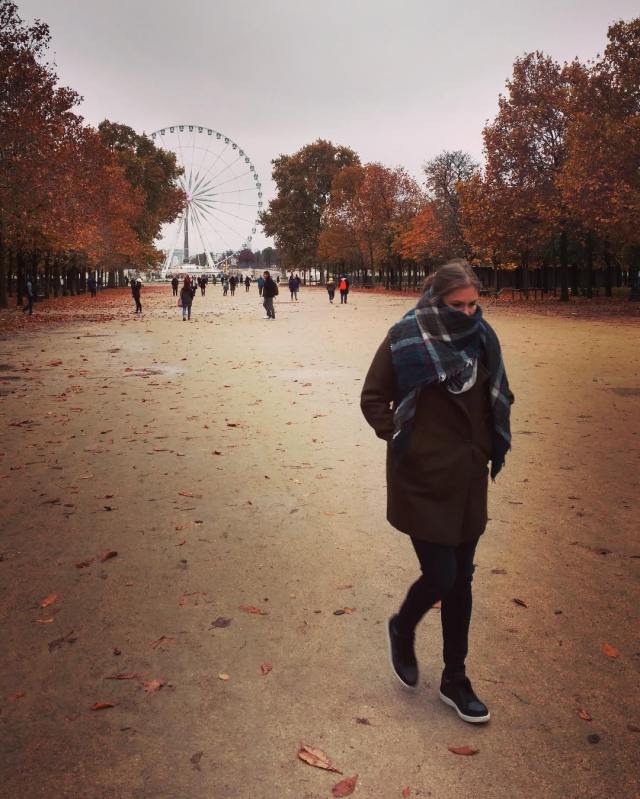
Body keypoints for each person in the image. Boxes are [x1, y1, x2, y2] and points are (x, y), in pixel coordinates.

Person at [360, 260, 514, 725]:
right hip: (422, 480)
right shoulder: (405, 337)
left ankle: (455, 678)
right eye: (457, 305)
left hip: (468, 479)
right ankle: (402, 626)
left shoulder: (483, 337)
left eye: (472, 305)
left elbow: (498, 395)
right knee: (442, 574)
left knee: (461, 580)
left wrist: (484, 445)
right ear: (435, 300)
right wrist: (407, 441)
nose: (467, 313)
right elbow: (373, 398)